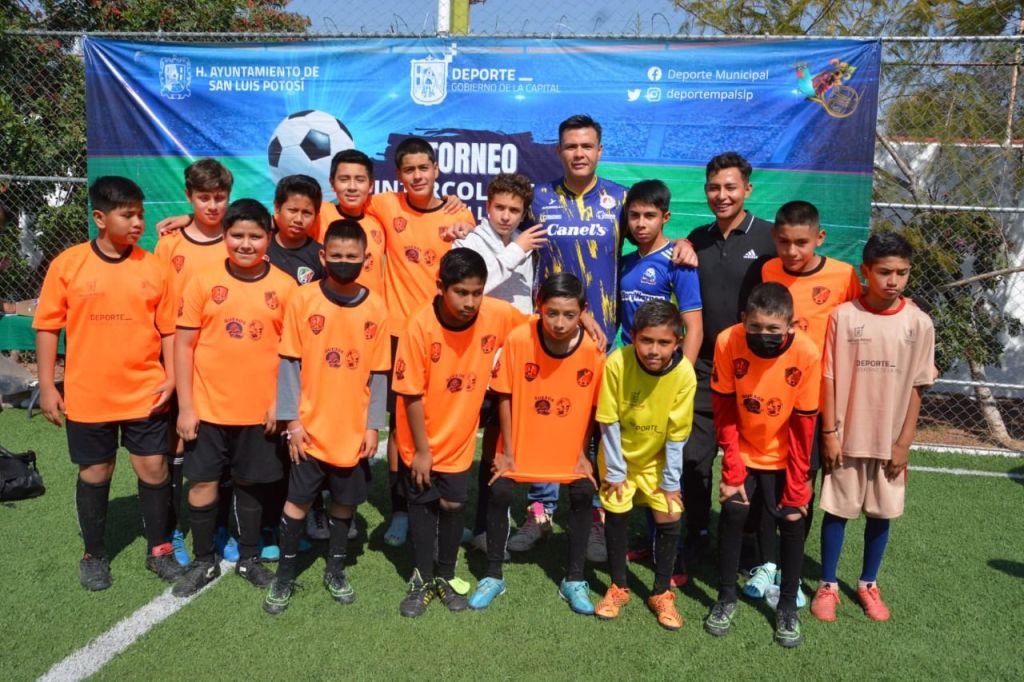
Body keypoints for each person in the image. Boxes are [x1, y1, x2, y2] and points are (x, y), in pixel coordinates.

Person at [514, 115, 696, 563]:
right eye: (570, 146)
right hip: (552, 331)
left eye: (586, 146)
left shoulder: (620, 199)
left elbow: (651, 232)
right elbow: (501, 231)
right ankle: (540, 510)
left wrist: (684, 243)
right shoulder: (538, 198)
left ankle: (596, 512)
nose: (578, 153)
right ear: (558, 151)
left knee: (599, 426)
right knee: (547, 416)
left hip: (606, 338)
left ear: (599, 151)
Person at [34, 175, 182, 590]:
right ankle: (95, 554)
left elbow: (169, 330)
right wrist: (47, 385)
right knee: (97, 470)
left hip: (146, 390)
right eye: (127, 215)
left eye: (140, 214)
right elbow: (47, 327)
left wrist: (172, 377)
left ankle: (159, 549)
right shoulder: (69, 264)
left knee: (153, 467)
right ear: (100, 218)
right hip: (89, 393)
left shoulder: (154, 267)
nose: (137, 223)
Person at [171, 199, 297, 597]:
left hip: (260, 412)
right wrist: (186, 407)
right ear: (224, 236)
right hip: (207, 410)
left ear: (269, 238)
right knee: (202, 483)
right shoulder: (202, 282)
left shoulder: (286, 287)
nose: (245, 243)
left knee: (251, 486)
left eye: (254, 236)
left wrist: (280, 402)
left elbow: (293, 355)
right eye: (237, 235)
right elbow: (184, 346)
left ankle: (249, 558)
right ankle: (204, 560)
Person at [263, 219, 390, 615]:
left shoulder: (376, 306)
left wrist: (373, 426)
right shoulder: (303, 300)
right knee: (297, 502)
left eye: (352, 256)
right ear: (323, 256)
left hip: (353, 431)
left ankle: (335, 570)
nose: (344, 262)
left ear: (365, 259)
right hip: (310, 429)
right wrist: (292, 423)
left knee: (344, 504)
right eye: (336, 255)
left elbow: (379, 373)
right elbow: (289, 363)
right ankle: (284, 576)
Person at [392, 248, 525, 617]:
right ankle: (421, 578)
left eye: (477, 293)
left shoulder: (496, 314)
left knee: (453, 505)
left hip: (459, 438)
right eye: (461, 293)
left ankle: (445, 576)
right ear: (441, 286)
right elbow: (410, 393)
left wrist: (586, 317)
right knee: (423, 505)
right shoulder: (419, 325)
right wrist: (422, 451)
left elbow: (536, 326)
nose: (470, 302)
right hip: (419, 439)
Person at [810, 231, 935, 623]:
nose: (893, 281)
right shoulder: (843, 316)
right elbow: (829, 377)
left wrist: (904, 443)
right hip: (846, 437)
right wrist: (830, 433)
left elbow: (918, 385)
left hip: (889, 439)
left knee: (882, 513)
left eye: (902, 272)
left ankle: (868, 583)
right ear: (865, 271)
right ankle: (827, 584)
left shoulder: (919, 323)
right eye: (884, 272)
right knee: (837, 510)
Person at [743, 199, 862, 600]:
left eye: (801, 243)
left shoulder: (843, 275)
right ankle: (767, 564)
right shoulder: (766, 270)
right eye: (784, 242)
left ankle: (788, 567)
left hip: (815, 403)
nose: (792, 251)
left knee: (800, 484)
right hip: (769, 397)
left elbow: (863, 316)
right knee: (766, 483)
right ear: (774, 238)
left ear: (819, 238)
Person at [469, 273, 604, 614]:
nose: (559, 322)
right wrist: (507, 452)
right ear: (539, 307)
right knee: (500, 489)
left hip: (567, 448)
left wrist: (582, 453)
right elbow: (504, 396)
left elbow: (592, 407)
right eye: (552, 312)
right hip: (523, 445)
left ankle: (574, 578)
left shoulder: (592, 349)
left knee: (583, 491)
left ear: (583, 312)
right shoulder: (519, 339)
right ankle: (493, 574)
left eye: (569, 315)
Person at [372, 137, 476, 549]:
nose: (417, 176)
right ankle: (401, 509)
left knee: (443, 420)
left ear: (436, 169)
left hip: (446, 333)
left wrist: (469, 229)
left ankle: (443, 506)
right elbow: (337, 209)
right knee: (401, 426)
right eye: (409, 170)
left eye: (423, 168)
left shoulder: (459, 213)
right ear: (398, 175)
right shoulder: (385, 205)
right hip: (400, 335)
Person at [704, 282, 820, 648]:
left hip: (787, 452)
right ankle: (726, 597)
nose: (763, 334)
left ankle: (787, 605)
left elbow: (803, 425)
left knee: (792, 518)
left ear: (790, 325)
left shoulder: (806, 351)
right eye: (755, 326)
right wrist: (732, 470)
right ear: (743, 319)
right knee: (734, 510)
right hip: (744, 447)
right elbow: (724, 411)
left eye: (773, 328)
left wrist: (798, 484)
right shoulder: (728, 341)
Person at [681, 151, 776, 566]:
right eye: (714, 188)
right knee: (693, 457)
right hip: (705, 367)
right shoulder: (696, 239)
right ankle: (697, 532)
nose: (722, 195)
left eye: (730, 187)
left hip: (755, 370)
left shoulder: (770, 239)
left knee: (753, 462)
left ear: (747, 190)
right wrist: (680, 245)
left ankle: (749, 540)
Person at [453, 172, 545, 554]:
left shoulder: (526, 243)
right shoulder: (469, 241)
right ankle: (444, 522)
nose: (506, 216)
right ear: (487, 206)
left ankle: (485, 530)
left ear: (523, 212)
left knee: (497, 452)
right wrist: (516, 250)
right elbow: (474, 284)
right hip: (471, 360)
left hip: (511, 364)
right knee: (456, 448)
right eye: (500, 208)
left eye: (514, 210)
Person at [594, 300, 696, 630]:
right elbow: (608, 420)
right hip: (619, 457)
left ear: (677, 342)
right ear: (633, 337)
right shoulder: (617, 362)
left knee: (670, 512)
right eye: (646, 340)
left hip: (658, 461)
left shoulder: (684, 373)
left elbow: (677, 434)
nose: (654, 350)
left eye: (663, 342)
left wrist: (670, 480)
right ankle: (618, 587)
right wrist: (615, 471)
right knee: (616, 510)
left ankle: (661, 592)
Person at [153, 158, 234, 566]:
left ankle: (219, 525)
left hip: (224, 362)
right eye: (203, 198)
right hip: (178, 357)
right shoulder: (169, 244)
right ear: (189, 196)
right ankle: (171, 528)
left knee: (221, 445)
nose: (212, 206)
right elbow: (162, 309)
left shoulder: (235, 238)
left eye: (219, 197)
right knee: (177, 442)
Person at [314, 149, 385, 295]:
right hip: (329, 305)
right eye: (344, 179)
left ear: (371, 185)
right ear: (332, 184)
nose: (352, 187)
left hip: (371, 307)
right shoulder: (318, 213)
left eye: (360, 180)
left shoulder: (378, 223)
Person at [269, 174, 326, 286]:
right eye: (292, 210)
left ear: (316, 215)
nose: (298, 219)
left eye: (306, 213)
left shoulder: (321, 257)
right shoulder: (260, 246)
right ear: (277, 207)